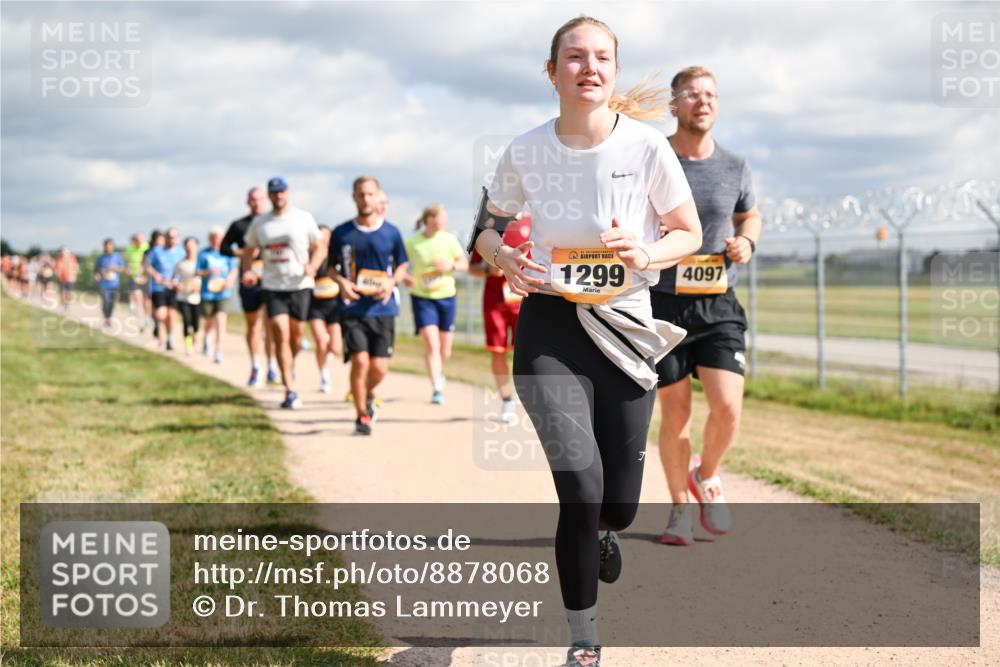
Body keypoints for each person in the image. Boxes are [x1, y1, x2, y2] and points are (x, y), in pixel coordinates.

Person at [471, 17, 701, 666]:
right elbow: (485, 228)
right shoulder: (524, 150)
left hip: (626, 328)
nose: (589, 67)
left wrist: (648, 250)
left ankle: (605, 533)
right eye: (574, 57)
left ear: (615, 72)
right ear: (553, 72)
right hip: (549, 323)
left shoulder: (648, 148)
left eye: (602, 57)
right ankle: (585, 639)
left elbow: (688, 230)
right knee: (579, 486)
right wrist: (504, 258)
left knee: (618, 504)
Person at [653, 66, 762, 547]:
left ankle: (707, 474)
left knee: (728, 407)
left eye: (711, 94)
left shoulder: (735, 165)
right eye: (692, 94)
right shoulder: (655, 158)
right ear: (674, 105)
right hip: (662, 304)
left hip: (717, 303)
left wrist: (746, 243)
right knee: (675, 414)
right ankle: (679, 509)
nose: (703, 101)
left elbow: (750, 214)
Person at [330, 177, 409, 436]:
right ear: (354, 197)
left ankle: (365, 392)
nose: (365, 199)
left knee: (379, 368)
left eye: (370, 194)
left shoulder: (392, 232)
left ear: (378, 198)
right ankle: (362, 416)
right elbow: (331, 268)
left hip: (383, 309)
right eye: (361, 194)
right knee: (360, 362)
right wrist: (341, 282)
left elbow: (402, 265)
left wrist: (390, 283)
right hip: (353, 309)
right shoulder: (341, 233)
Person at [242, 176, 326, 410]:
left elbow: (320, 246)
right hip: (273, 286)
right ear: (269, 196)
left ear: (288, 193)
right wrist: (248, 270)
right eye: (274, 192)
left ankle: (289, 364)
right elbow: (249, 249)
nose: (278, 196)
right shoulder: (261, 223)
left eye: (282, 192)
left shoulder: (303, 218)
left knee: (296, 337)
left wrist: (313, 266)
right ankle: (290, 389)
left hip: (299, 285)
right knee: (279, 333)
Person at [469, 213, 532, 423]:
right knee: (498, 351)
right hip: (495, 301)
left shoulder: (534, 221)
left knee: (528, 352)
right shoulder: (488, 226)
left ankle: (533, 401)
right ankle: (506, 401)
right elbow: (473, 268)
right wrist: (488, 269)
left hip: (524, 298)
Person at [403, 204, 468, 404]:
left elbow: (464, 265)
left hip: (446, 296)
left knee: (444, 350)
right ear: (430, 219)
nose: (446, 220)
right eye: (442, 216)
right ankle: (437, 388)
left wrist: (451, 266)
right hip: (422, 297)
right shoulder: (413, 242)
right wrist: (405, 277)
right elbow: (400, 265)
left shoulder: (449, 239)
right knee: (431, 343)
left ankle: (438, 371)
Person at [222, 187, 280, 387]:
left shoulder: (273, 223)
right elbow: (224, 247)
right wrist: (244, 253)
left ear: (266, 200)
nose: (256, 203)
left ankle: (272, 366)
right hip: (249, 280)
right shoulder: (239, 225)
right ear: (248, 202)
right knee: (253, 325)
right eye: (253, 200)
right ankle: (256, 366)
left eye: (260, 199)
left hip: (271, 278)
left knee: (272, 325)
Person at [307, 225, 343, 394]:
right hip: (315, 307)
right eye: (320, 237)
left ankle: (325, 362)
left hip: (334, 307)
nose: (324, 240)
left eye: (327, 236)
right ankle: (324, 375)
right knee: (321, 341)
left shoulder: (338, 257)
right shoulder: (309, 258)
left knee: (335, 347)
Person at [198, 226, 239, 364]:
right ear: (210, 239)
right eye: (214, 237)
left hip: (223, 292)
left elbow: (234, 270)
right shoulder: (203, 254)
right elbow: (198, 272)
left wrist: (229, 281)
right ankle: (207, 339)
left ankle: (218, 351)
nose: (217, 240)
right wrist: (208, 272)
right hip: (207, 292)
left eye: (219, 238)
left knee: (221, 320)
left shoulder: (227, 253)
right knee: (209, 321)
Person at [146, 227, 185, 351]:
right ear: (166, 238)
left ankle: (168, 339)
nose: (171, 239)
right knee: (161, 314)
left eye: (174, 237)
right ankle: (160, 335)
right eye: (169, 237)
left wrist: (179, 281)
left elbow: (185, 269)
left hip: (174, 288)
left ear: (177, 239)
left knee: (171, 316)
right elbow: (146, 265)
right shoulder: (157, 251)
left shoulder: (181, 253)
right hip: (159, 287)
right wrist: (156, 275)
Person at [173, 236, 202, 355]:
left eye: (192, 246)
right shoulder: (180, 264)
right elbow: (174, 278)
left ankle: (195, 338)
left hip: (197, 297)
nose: (190, 249)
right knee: (187, 321)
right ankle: (188, 345)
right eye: (188, 246)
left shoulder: (201, 262)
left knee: (196, 324)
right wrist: (177, 285)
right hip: (183, 297)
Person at [93, 238, 125, 327]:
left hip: (114, 284)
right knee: (106, 301)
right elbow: (96, 270)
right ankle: (106, 319)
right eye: (107, 246)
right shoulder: (100, 258)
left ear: (113, 247)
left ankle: (109, 317)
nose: (108, 248)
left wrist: (114, 268)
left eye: (110, 246)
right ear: (104, 247)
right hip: (103, 284)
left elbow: (123, 269)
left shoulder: (117, 257)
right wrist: (97, 275)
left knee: (111, 303)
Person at [123, 233, 150, 329]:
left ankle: (147, 318)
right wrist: (127, 269)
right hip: (134, 276)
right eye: (137, 240)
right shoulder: (129, 249)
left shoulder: (148, 247)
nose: (139, 242)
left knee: (146, 299)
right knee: (138, 297)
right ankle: (141, 320)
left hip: (146, 276)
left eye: (141, 240)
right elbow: (126, 261)